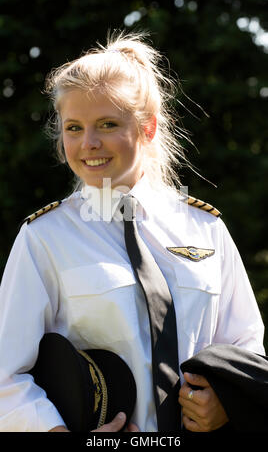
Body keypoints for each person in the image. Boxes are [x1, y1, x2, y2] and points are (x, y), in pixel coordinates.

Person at [0, 31, 265, 433]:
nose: (88, 143)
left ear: (148, 128)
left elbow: (245, 349)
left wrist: (226, 402)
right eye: (73, 128)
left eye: (107, 124)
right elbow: (6, 376)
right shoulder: (43, 238)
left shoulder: (207, 228)